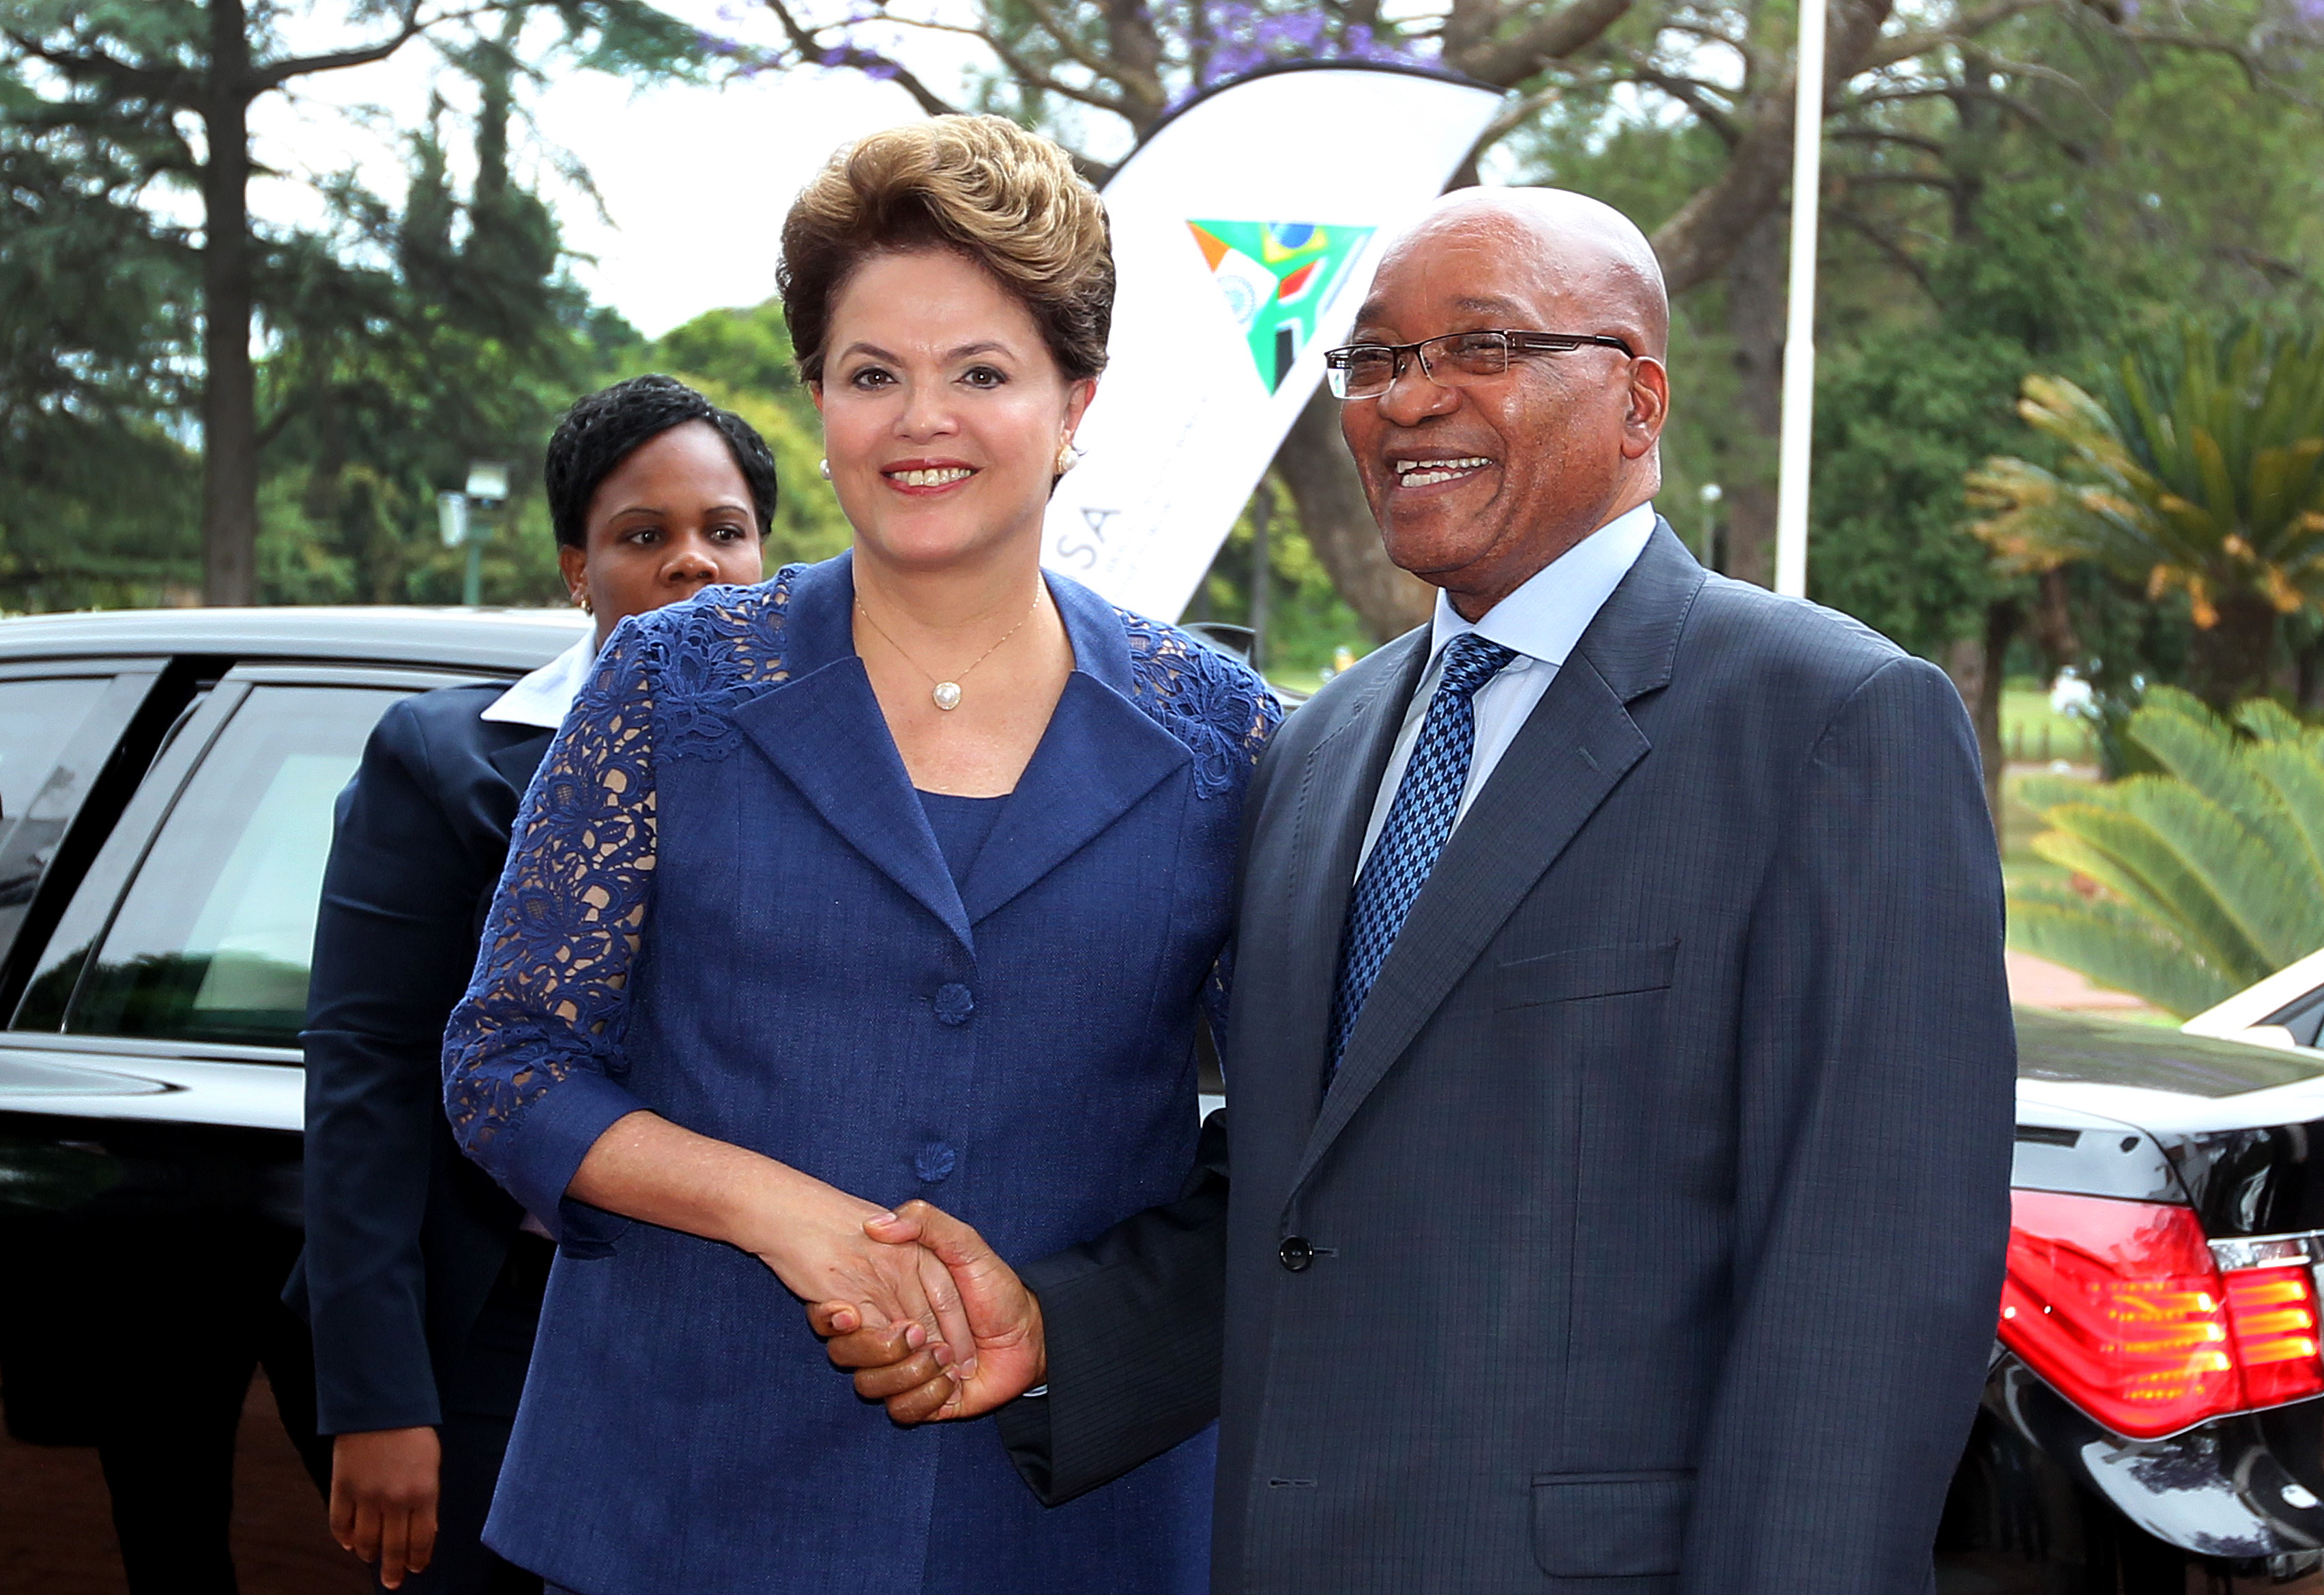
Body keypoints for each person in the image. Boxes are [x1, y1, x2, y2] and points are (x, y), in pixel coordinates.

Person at [822, 186, 2018, 1593]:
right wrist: (1062, 1333)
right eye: (1374, 359)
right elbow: (1302, 1186)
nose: (1407, 398)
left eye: (1481, 347)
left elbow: (1867, 1288)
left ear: (1637, 400)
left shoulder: (1829, 722)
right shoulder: (1318, 742)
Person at [438, 115, 1277, 1595]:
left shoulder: (1225, 733)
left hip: (1071, 1511)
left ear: (1077, 401)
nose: (919, 420)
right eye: (872, 373)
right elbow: (506, 1057)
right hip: (679, 1495)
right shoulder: (663, 685)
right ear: (818, 393)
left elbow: (1290, 1131)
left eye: (982, 373)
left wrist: (1073, 1317)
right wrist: (794, 1219)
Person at [294, 374, 776, 1591]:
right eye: (643, 535)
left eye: (725, 531)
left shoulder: (828, 769)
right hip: (503, 1325)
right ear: (578, 565)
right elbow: (364, 1081)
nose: (692, 563)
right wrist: (379, 1397)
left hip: (746, 1318)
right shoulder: (446, 762)